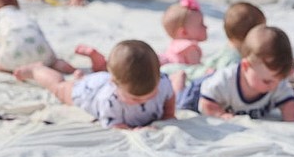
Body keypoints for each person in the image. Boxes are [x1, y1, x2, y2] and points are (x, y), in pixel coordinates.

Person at [14, 40, 175, 129]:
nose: (142, 101)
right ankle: (37, 70)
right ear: (115, 85)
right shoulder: (109, 100)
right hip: (89, 91)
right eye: (134, 98)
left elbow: (170, 97)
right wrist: (136, 130)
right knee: (60, 87)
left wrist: (168, 115)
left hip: (103, 79)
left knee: (85, 78)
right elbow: (115, 126)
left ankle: (82, 74)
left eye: (151, 94)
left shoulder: (163, 82)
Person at [191, 25, 294, 121]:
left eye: (280, 79)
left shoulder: (275, 82)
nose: (273, 86)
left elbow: (288, 105)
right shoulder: (225, 81)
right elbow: (206, 103)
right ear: (246, 66)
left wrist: (291, 119)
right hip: (198, 93)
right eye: (266, 81)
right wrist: (220, 114)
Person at [168, 1, 266, 103]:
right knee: (183, 91)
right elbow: (222, 84)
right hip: (195, 78)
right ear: (250, 35)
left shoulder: (230, 50)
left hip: (198, 70)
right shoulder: (233, 59)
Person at [0, 0, 77, 74]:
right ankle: (60, 65)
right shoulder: (23, 14)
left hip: (15, 55)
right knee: (50, 60)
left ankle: (22, 69)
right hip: (42, 52)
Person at [158, 0, 207, 67]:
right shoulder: (190, 47)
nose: (206, 27)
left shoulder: (175, 44)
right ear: (184, 32)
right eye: (201, 24)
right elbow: (196, 69)